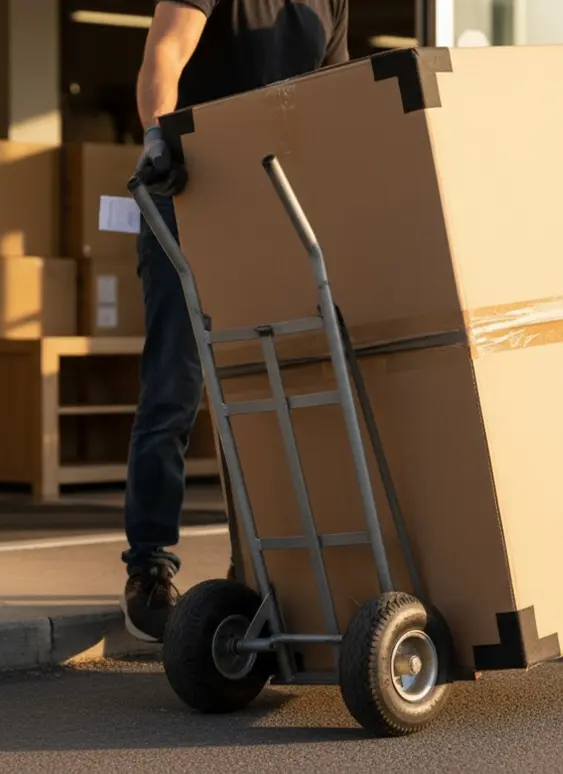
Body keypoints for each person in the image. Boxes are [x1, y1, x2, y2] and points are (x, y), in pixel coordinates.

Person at [123, 0, 350, 643]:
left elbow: (332, 96)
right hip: (187, 191)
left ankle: (258, 565)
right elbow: (166, 51)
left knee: (273, 387)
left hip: (274, 199)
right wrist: (156, 135)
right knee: (175, 386)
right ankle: (149, 567)